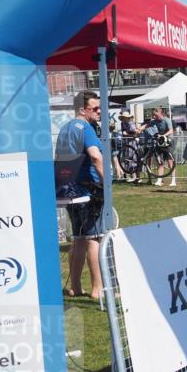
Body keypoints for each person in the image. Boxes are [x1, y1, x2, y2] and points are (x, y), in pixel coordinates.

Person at [55, 90, 107, 299]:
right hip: (88, 190)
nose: (98, 112)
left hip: (68, 190)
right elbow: (95, 156)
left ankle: (75, 286)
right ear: (82, 109)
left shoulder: (65, 128)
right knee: (94, 238)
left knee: (78, 239)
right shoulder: (86, 128)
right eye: (94, 108)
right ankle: (98, 288)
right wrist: (106, 182)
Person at [143, 107, 174, 186]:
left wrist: (163, 135)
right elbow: (146, 125)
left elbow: (171, 130)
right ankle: (159, 180)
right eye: (154, 115)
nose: (154, 117)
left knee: (170, 162)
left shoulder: (167, 120)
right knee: (160, 162)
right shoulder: (154, 121)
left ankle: (173, 180)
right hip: (159, 142)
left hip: (168, 142)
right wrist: (139, 129)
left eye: (156, 115)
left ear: (161, 113)